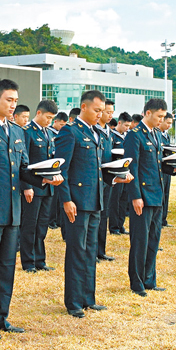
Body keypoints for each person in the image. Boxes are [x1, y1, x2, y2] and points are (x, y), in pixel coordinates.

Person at [0, 80, 60, 338]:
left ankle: (2, 316)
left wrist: (44, 178)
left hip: (13, 210)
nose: (12, 104)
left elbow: (23, 170)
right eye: (8, 100)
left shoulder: (18, 132)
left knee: (6, 266)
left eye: (15, 100)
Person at [55, 90, 132, 318]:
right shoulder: (70, 132)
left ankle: (89, 298)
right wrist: (66, 200)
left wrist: (117, 177)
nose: (101, 115)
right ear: (84, 108)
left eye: (103, 111)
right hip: (77, 203)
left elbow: (100, 170)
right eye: (97, 110)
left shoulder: (97, 133)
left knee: (90, 252)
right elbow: (62, 170)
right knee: (77, 252)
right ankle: (74, 302)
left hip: (96, 200)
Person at [124, 98, 176, 295]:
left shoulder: (156, 134)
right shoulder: (135, 135)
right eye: (159, 116)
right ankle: (137, 282)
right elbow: (133, 167)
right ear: (148, 113)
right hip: (143, 196)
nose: (161, 120)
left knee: (154, 239)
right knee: (140, 240)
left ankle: (149, 279)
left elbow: (157, 165)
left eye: (163, 117)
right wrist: (135, 196)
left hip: (157, 194)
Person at [19, 100, 59, 273]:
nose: (49, 121)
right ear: (39, 113)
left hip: (47, 187)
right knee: (30, 225)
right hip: (33, 187)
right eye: (48, 117)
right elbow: (23, 162)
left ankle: (40, 260)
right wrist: (26, 186)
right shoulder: (27, 132)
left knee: (42, 225)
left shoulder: (49, 133)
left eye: (52, 119)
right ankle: (28, 261)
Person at [95, 99, 116, 262]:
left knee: (104, 215)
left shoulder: (109, 131)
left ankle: (101, 250)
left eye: (111, 112)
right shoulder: (94, 130)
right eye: (107, 112)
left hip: (107, 178)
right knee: (95, 216)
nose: (109, 115)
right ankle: (93, 251)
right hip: (95, 178)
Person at [108, 112, 132, 235]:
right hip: (115, 172)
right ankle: (114, 226)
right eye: (125, 125)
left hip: (126, 171)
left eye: (129, 126)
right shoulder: (112, 136)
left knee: (124, 200)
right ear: (119, 123)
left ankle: (121, 224)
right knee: (115, 201)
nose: (127, 128)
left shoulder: (128, 136)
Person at [159, 113, 174, 228]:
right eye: (168, 122)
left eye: (171, 123)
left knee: (166, 193)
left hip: (167, 169)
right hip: (160, 169)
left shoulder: (166, 135)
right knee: (161, 194)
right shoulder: (157, 134)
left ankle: (163, 218)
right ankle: (159, 219)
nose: (169, 125)